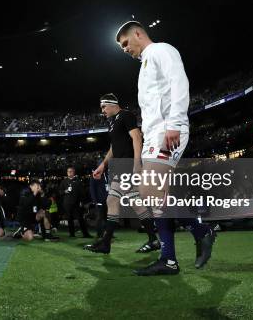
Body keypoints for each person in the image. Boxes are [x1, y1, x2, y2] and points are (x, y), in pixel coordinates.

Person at [115, 21, 216, 276]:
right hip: (154, 137)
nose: (125, 49)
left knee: (150, 191)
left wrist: (175, 123)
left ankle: (202, 231)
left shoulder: (161, 50)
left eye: (126, 43)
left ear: (138, 33)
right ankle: (168, 259)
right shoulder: (146, 64)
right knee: (150, 194)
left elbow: (178, 82)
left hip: (168, 132)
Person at [84, 93, 160, 254]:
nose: (102, 110)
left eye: (104, 106)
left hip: (127, 164)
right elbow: (113, 147)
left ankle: (106, 243)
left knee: (113, 199)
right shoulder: (112, 121)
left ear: (112, 104)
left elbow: (137, 138)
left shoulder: (126, 115)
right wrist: (102, 165)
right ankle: (153, 239)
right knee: (133, 202)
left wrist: (137, 163)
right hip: (119, 165)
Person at [58, 166, 92, 238]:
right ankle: (72, 234)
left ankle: (85, 234)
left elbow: (82, 193)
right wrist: (65, 191)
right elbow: (60, 192)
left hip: (76, 203)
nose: (69, 173)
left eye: (71, 171)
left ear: (74, 172)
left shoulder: (78, 181)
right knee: (69, 219)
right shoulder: (64, 181)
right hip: (67, 203)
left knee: (80, 218)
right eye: (68, 171)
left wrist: (82, 201)